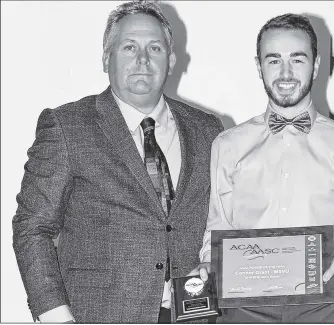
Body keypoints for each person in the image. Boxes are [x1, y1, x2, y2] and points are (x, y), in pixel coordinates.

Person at [12, 1, 223, 323]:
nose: (142, 59)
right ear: (106, 58)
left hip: (194, 315)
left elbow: (222, 219)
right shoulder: (67, 126)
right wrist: (56, 316)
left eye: (155, 47)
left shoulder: (208, 129)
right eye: (129, 47)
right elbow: (32, 227)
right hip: (98, 315)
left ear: (171, 60)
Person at [192, 13, 334, 323]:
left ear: (317, 65)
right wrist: (208, 264)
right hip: (242, 310)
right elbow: (219, 227)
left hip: (321, 308)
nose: (285, 73)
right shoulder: (227, 144)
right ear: (258, 66)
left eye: (297, 60)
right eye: (273, 60)